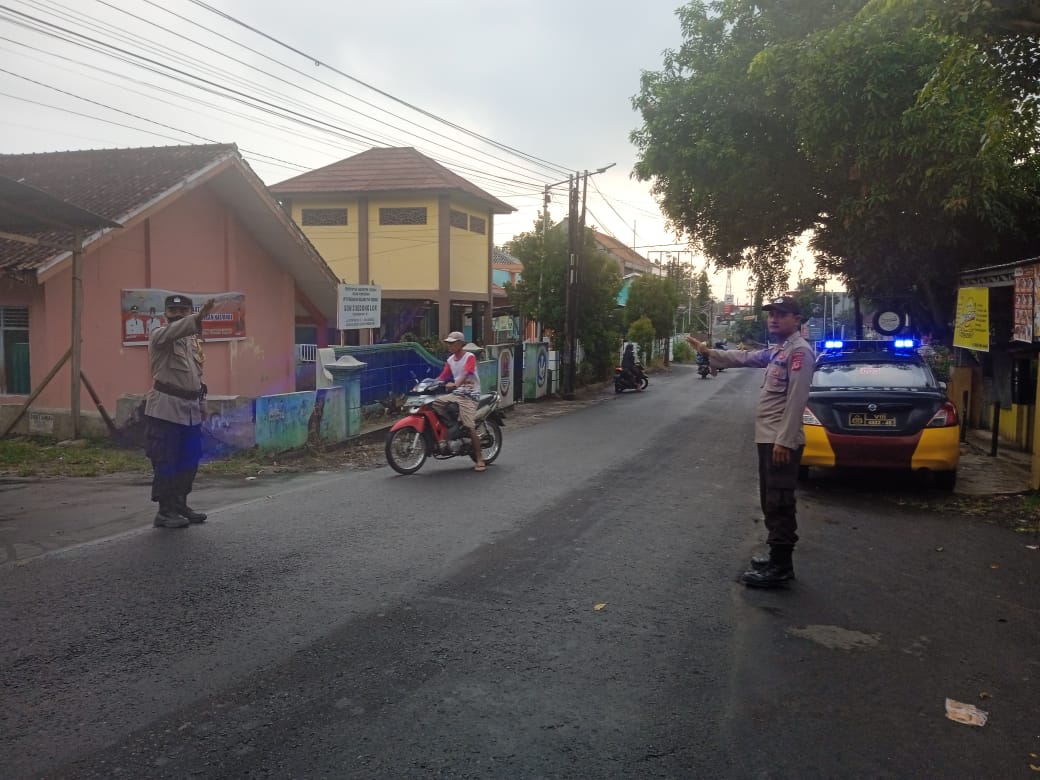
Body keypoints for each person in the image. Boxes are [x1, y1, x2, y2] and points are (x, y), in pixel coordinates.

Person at [687, 295, 815, 587]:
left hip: (780, 441)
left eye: (781, 314)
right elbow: (746, 358)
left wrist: (785, 441)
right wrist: (708, 352)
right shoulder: (780, 350)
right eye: (771, 314)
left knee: (779, 501)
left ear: (796, 320)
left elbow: (797, 400)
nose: (774, 319)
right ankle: (776, 557)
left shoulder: (799, 352)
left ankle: (781, 568)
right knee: (770, 499)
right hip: (769, 438)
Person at [145, 294, 216, 528]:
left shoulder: (193, 343)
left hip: (190, 410)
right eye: (173, 311)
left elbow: (197, 377)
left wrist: (202, 405)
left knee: (189, 461)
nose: (177, 315)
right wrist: (198, 317)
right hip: (166, 409)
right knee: (167, 461)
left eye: (183, 311)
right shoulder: (159, 336)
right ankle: (164, 512)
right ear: (165, 314)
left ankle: (180, 504)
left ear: (188, 312)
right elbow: (174, 331)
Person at [432, 331, 487, 472]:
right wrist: (429, 383)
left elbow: (466, 373)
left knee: (469, 425)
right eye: (448, 343)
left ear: (460, 344)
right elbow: (443, 376)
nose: (449, 345)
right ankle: (453, 428)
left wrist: (456, 384)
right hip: (457, 394)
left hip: (470, 395)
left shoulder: (470, 357)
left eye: (452, 343)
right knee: (435, 404)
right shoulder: (450, 360)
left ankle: (480, 458)